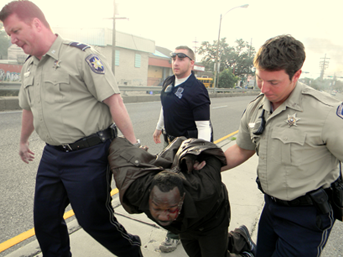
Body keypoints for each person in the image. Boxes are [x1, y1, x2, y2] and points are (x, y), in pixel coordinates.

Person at [0, 1, 142, 256]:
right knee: (45, 221)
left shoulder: (81, 55)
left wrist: (133, 148)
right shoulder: (29, 66)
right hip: (53, 155)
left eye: (15, 31)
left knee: (93, 221)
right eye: (9, 34)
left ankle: (131, 251)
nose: (12, 40)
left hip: (90, 154)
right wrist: (23, 141)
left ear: (36, 23)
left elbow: (114, 101)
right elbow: (28, 108)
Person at [221, 34, 343, 257]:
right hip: (271, 209)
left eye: (273, 82)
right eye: (260, 78)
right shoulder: (257, 107)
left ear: (296, 75)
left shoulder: (326, 112)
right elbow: (242, 148)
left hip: (307, 217)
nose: (263, 89)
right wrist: (203, 166)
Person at [108, 136, 257, 257]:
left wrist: (194, 160)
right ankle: (236, 238)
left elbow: (213, 154)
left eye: (170, 209)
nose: (163, 216)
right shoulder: (137, 194)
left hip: (212, 219)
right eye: (157, 208)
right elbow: (117, 149)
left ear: (181, 202)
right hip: (185, 227)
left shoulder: (205, 190)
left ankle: (242, 242)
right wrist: (137, 152)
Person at [152, 45, 213, 252]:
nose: (175, 61)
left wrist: (199, 154)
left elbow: (204, 126)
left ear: (191, 63)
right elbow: (164, 106)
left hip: (188, 147)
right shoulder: (169, 81)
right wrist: (159, 127)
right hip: (172, 143)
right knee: (171, 185)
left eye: (181, 58)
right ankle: (178, 228)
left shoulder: (197, 90)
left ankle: (176, 232)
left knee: (181, 189)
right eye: (173, 58)